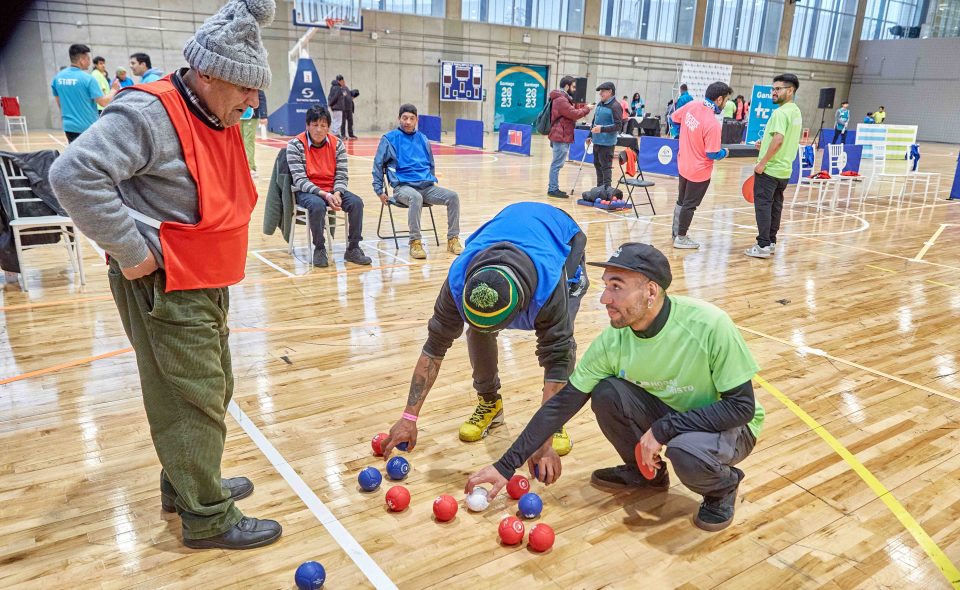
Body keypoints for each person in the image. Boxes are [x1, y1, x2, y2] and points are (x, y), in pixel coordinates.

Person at [50, 0, 282, 550]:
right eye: (244, 88)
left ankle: (187, 483)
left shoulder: (214, 108)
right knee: (191, 397)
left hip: (203, 277)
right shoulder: (148, 113)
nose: (253, 101)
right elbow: (72, 174)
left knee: (212, 387)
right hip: (165, 281)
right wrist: (132, 253)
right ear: (205, 74)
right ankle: (207, 518)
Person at [465, 243, 763, 533]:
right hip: (677, 412)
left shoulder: (709, 324)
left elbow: (741, 407)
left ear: (650, 291)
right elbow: (561, 404)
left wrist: (664, 429)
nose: (604, 299)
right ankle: (647, 475)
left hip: (731, 425)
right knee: (607, 392)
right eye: (605, 286)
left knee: (686, 452)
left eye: (616, 287)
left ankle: (723, 486)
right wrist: (506, 465)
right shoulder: (613, 341)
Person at [381, 202, 589, 460]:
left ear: (520, 313)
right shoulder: (458, 281)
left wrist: (542, 438)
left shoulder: (548, 289)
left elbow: (556, 361)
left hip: (564, 240)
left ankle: (554, 423)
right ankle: (490, 403)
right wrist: (408, 417)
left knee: (562, 346)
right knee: (478, 332)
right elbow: (433, 350)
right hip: (514, 229)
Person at [372, 103, 462, 259]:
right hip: (403, 188)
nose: (408, 122)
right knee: (416, 197)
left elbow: (430, 164)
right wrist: (379, 191)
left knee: (453, 196)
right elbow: (378, 165)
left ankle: (453, 239)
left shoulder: (423, 139)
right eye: (405, 118)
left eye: (411, 118)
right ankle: (415, 242)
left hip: (427, 187)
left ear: (416, 120)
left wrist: (430, 182)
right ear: (399, 118)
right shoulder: (389, 139)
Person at [287, 105, 371, 267]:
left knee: (356, 203)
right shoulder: (295, 145)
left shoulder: (337, 144)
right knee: (317, 205)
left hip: (333, 189)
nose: (319, 129)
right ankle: (319, 248)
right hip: (307, 191)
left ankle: (353, 248)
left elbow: (342, 174)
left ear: (329, 127)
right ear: (307, 125)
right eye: (315, 125)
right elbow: (300, 180)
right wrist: (325, 195)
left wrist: (338, 192)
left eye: (323, 125)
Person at [745, 74, 802, 259]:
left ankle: (762, 245)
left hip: (770, 170)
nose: (774, 92)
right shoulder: (795, 112)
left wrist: (762, 163)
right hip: (784, 171)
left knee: (763, 206)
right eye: (773, 89)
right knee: (776, 207)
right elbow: (782, 139)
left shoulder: (780, 112)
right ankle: (770, 242)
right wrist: (765, 144)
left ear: (790, 90)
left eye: (778, 89)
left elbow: (778, 140)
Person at [671, 82, 731, 249]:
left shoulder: (692, 105)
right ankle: (681, 238)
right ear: (719, 99)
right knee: (690, 205)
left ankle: (676, 232)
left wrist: (678, 134)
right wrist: (725, 152)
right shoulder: (712, 124)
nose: (725, 104)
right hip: (699, 172)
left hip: (684, 164)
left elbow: (674, 118)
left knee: (681, 201)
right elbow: (712, 153)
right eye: (726, 100)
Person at [50, 44, 120, 142]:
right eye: (88, 58)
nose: (89, 61)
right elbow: (103, 102)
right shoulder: (88, 79)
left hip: (69, 127)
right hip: (87, 128)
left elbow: (60, 105)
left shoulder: (57, 78)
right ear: (81, 60)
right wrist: (114, 89)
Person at [546, 76, 592, 198]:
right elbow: (573, 114)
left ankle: (553, 187)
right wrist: (587, 109)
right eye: (573, 86)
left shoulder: (562, 98)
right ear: (567, 86)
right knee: (557, 164)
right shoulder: (561, 100)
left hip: (560, 134)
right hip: (560, 135)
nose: (575, 89)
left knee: (557, 163)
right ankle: (553, 189)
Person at [588, 82, 622, 191]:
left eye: (603, 91)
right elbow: (594, 121)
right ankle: (600, 189)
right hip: (596, 141)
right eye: (600, 91)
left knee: (606, 168)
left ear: (610, 92)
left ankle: (607, 191)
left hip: (607, 144)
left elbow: (618, 126)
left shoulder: (615, 106)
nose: (600, 94)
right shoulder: (600, 104)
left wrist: (602, 129)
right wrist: (590, 135)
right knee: (597, 165)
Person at [239, 106, 257, 175]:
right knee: (237, 141)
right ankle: (238, 165)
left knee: (248, 141)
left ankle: (250, 167)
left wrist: (264, 115)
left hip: (251, 116)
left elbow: (261, 99)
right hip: (236, 116)